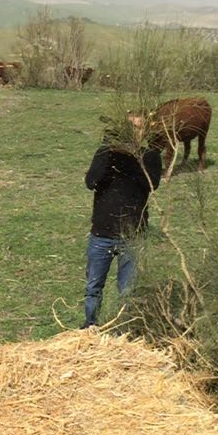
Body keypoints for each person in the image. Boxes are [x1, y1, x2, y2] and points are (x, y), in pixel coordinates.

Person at [81, 138, 162, 328]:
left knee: (128, 290)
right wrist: (110, 156)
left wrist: (131, 159)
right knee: (93, 287)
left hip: (132, 235)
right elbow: (91, 182)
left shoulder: (149, 156)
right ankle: (90, 326)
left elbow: (151, 184)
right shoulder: (105, 153)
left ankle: (122, 330)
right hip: (102, 233)